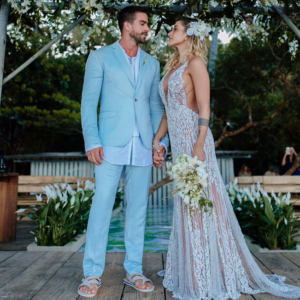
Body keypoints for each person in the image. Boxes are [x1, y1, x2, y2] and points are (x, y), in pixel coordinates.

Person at [153, 16, 300, 299]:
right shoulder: (172, 66)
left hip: (196, 143)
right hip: (179, 144)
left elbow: (205, 108)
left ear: (188, 35)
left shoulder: (196, 63)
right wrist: (158, 140)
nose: (170, 32)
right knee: (185, 204)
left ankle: (204, 273)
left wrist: (198, 145)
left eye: (175, 28)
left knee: (201, 202)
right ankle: (191, 267)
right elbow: (167, 112)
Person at [79, 6, 168, 297]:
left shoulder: (152, 63)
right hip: (108, 144)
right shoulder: (100, 57)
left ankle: (134, 270)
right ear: (126, 26)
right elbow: (88, 102)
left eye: (147, 24)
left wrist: (160, 143)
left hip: (143, 144)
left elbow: (156, 107)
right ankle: (92, 274)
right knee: (102, 207)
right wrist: (92, 141)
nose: (147, 28)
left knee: (138, 210)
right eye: (142, 23)